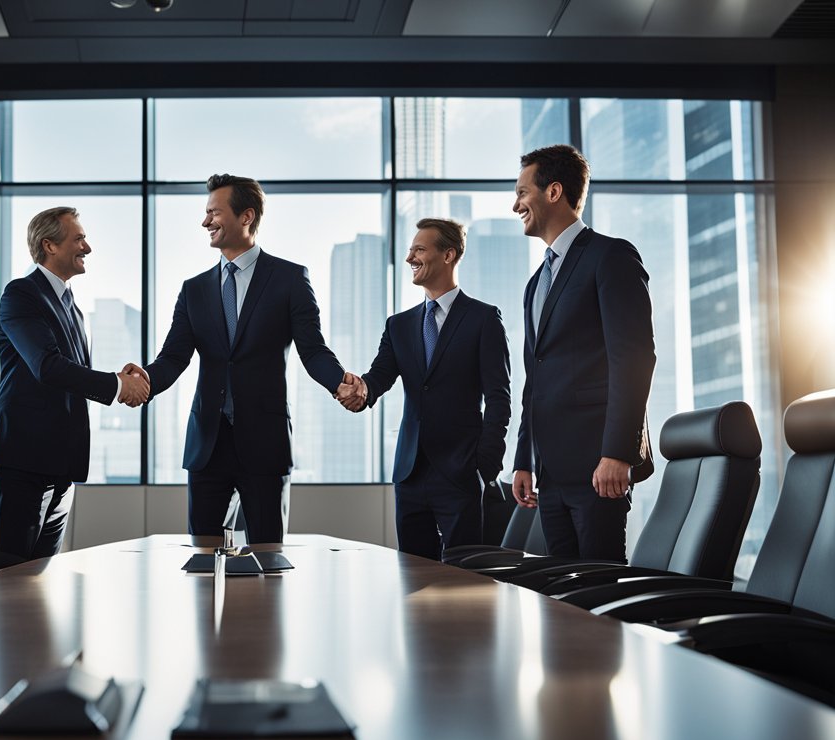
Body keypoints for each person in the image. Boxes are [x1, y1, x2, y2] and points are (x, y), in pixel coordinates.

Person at [136, 174, 354, 544]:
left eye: (214, 213)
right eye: (206, 213)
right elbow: (173, 357)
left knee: (269, 555)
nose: (205, 222)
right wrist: (143, 382)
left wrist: (341, 383)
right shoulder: (194, 290)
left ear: (246, 216)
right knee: (202, 557)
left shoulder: (289, 278)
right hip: (208, 444)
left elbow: (312, 349)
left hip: (265, 444)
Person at [510, 145, 656, 561]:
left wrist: (617, 452)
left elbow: (633, 359)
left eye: (522, 192)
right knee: (561, 599)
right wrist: (524, 459)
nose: (515, 203)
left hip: (599, 467)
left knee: (602, 593)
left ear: (553, 191)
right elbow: (533, 382)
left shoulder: (610, 256)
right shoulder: (536, 282)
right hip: (551, 474)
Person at [0, 207, 149, 560]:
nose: (87, 247)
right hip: (25, 459)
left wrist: (118, 381)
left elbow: (74, 375)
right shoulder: (21, 294)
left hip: (61, 464)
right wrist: (118, 386)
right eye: (79, 239)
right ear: (49, 245)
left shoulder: (72, 306)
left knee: (43, 576)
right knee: (14, 578)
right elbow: (48, 367)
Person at [338, 219, 511, 559]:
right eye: (410, 250)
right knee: (413, 576)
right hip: (410, 473)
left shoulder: (483, 319)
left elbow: (499, 399)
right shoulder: (399, 325)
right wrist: (358, 389)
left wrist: (484, 465)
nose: (410, 259)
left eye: (419, 249)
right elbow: (378, 377)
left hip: (461, 473)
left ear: (449, 255)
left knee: (464, 582)